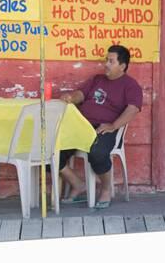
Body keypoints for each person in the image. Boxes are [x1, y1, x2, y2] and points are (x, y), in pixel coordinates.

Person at [58, 44, 142, 209]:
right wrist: (71, 97)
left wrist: (113, 125)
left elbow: (133, 109)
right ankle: (77, 184)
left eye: (111, 61)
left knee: (97, 153)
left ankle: (105, 188)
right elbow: (80, 95)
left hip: (104, 129)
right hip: (81, 126)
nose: (106, 64)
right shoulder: (97, 79)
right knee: (50, 149)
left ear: (122, 66)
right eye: (106, 60)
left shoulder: (130, 85)